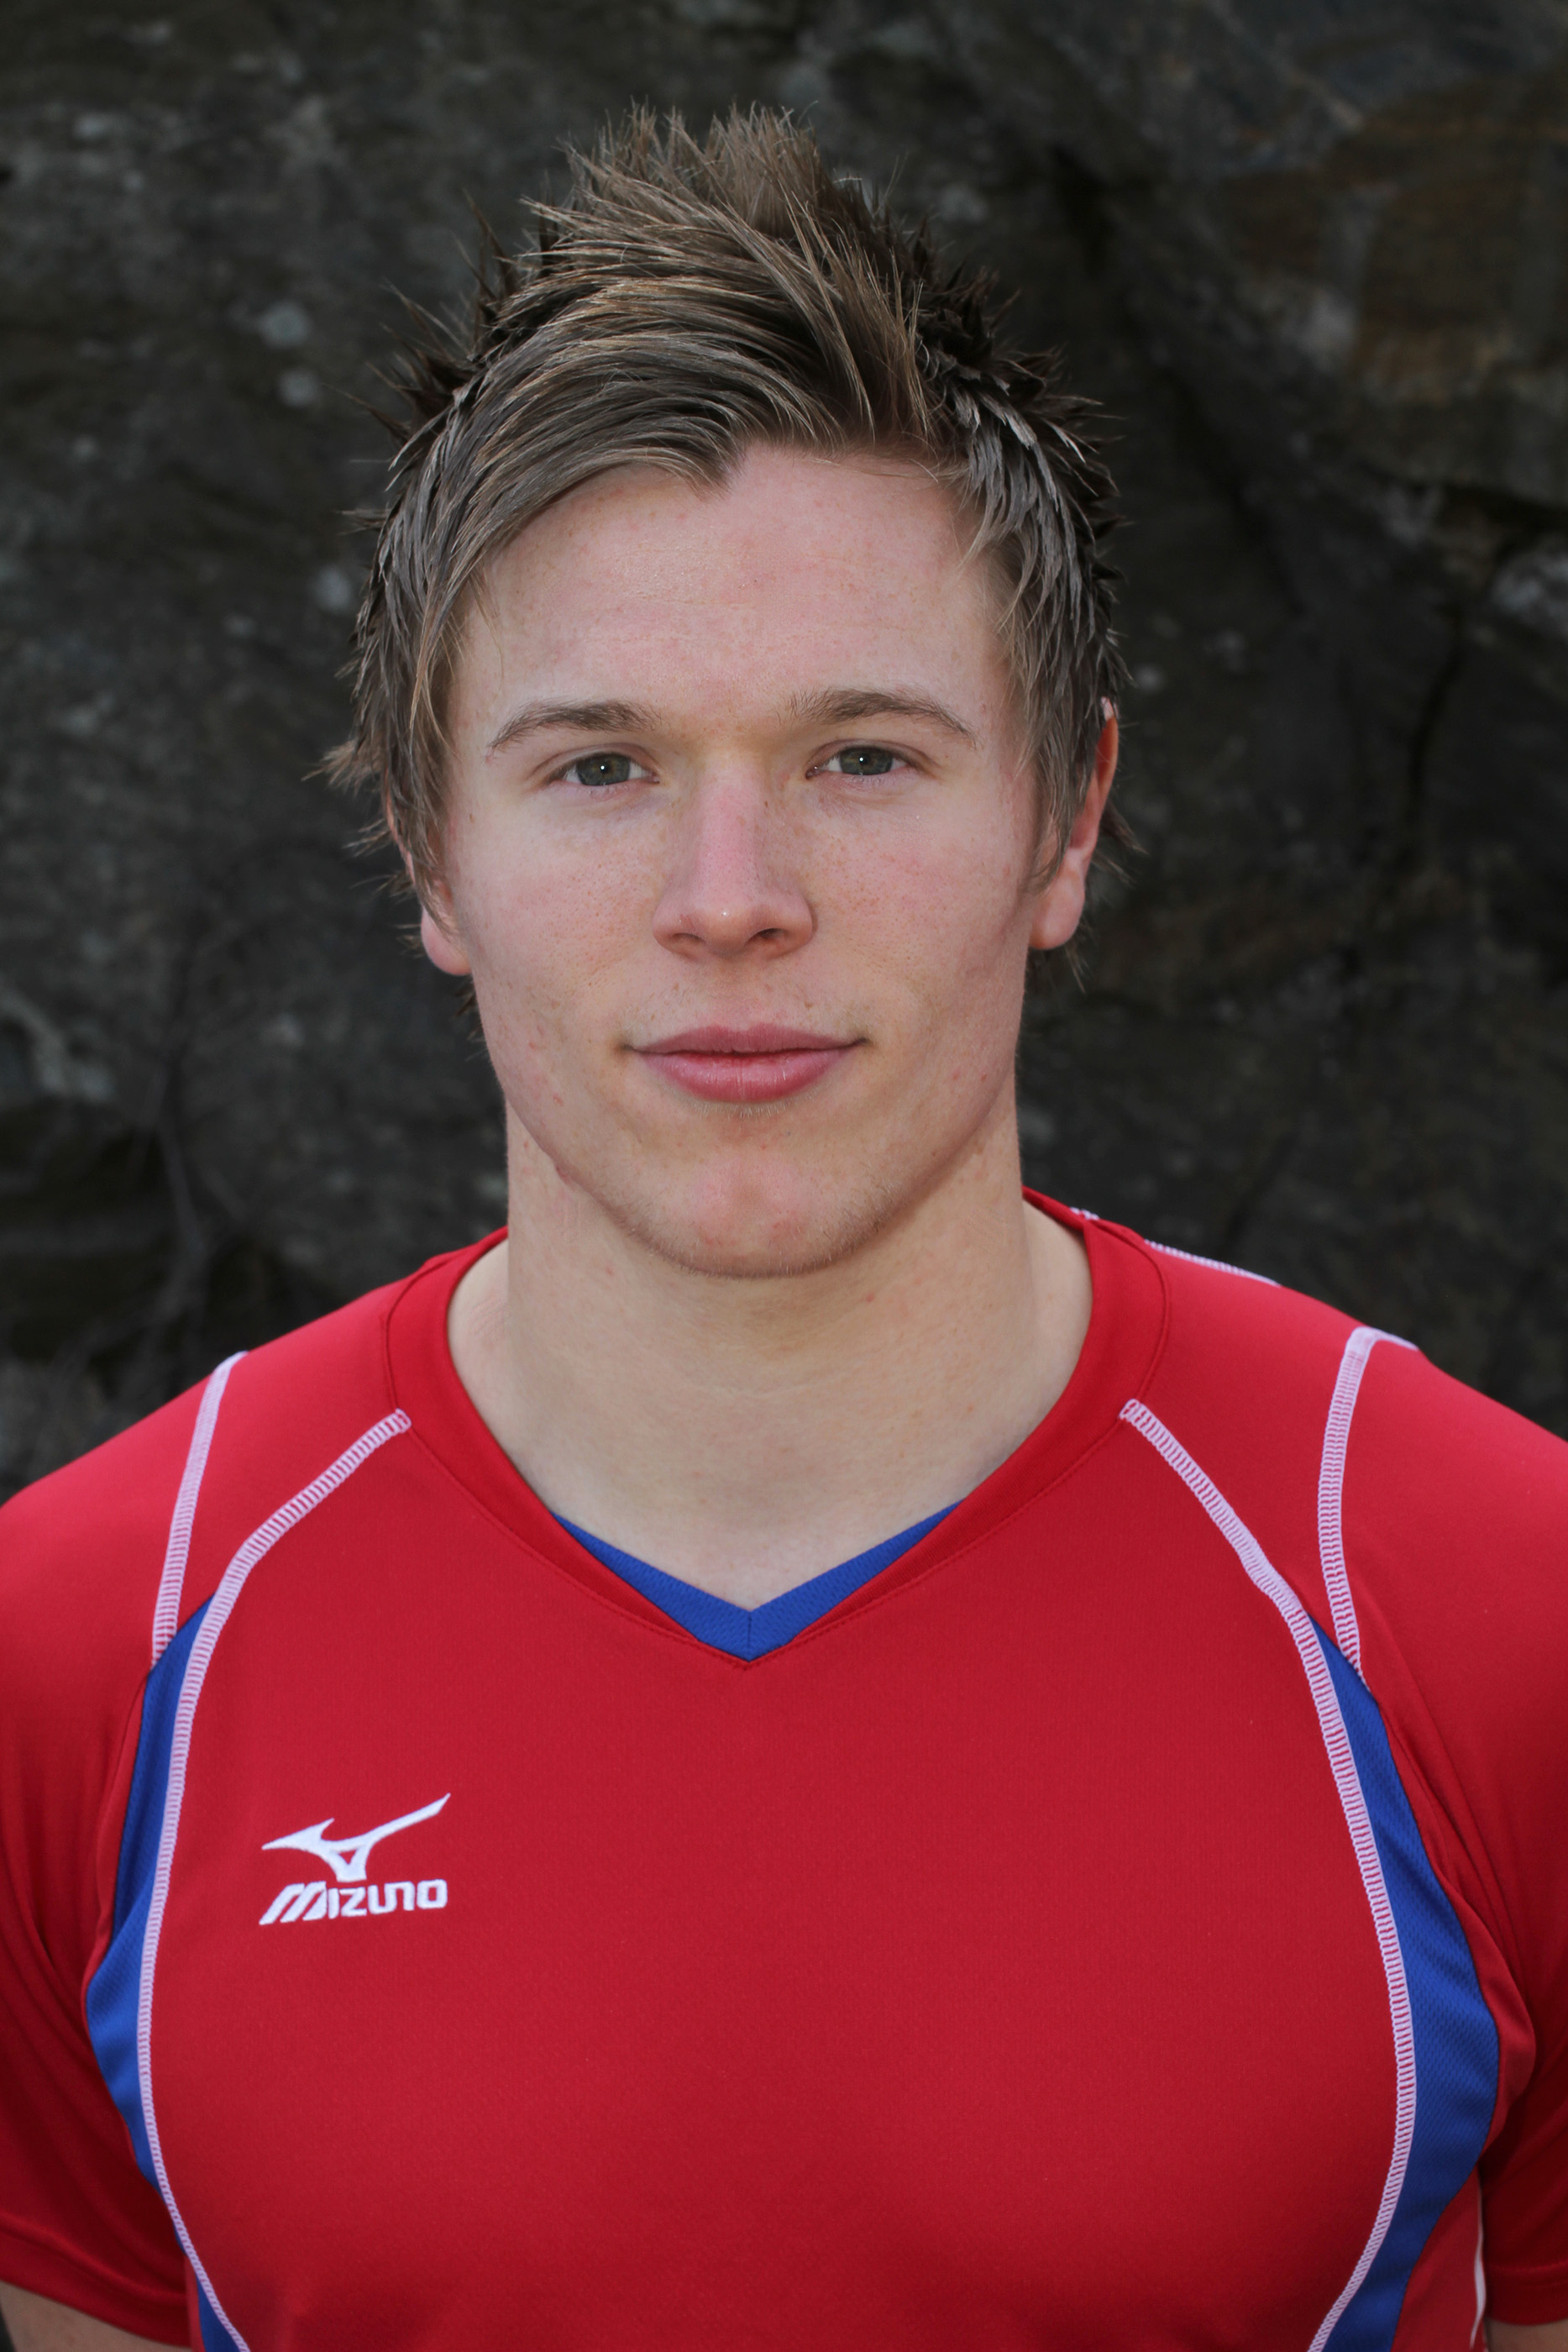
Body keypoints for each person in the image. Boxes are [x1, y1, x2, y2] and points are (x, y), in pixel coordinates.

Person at [0, 108, 1563, 2352]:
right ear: (428, 849)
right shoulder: (81, 1654)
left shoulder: (1492, 1611)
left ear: (1068, 819)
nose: (731, 900)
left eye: (863, 757)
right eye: (599, 766)